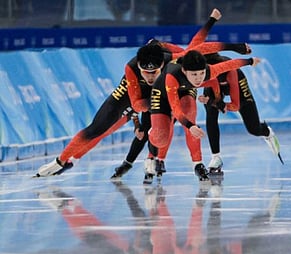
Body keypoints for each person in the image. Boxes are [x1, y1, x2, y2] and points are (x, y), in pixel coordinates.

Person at [34, 8, 250, 178]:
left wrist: (234, 45)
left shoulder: (172, 59)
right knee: (99, 129)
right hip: (134, 96)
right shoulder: (131, 68)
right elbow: (137, 104)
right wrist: (145, 114)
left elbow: (198, 47)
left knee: (176, 116)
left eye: (153, 72)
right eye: (144, 71)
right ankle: (62, 161)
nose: (148, 75)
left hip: (163, 90)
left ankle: (160, 158)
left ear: (161, 64)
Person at [148, 50, 261, 181]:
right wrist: (190, 126)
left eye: (201, 73)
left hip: (185, 88)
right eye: (194, 74)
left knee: (190, 115)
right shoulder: (172, 76)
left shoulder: (209, 71)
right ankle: (152, 136)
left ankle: (198, 164)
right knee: (161, 137)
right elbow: (175, 109)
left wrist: (250, 61)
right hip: (162, 93)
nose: (199, 78)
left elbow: (231, 65)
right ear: (184, 71)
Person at [198, 53, 283, 174]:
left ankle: (266, 131)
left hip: (236, 82)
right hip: (213, 84)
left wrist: (215, 102)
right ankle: (215, 157)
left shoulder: (231, 73)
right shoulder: (204, 72)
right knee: (211, 113)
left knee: (253, 129)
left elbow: (235, 106)